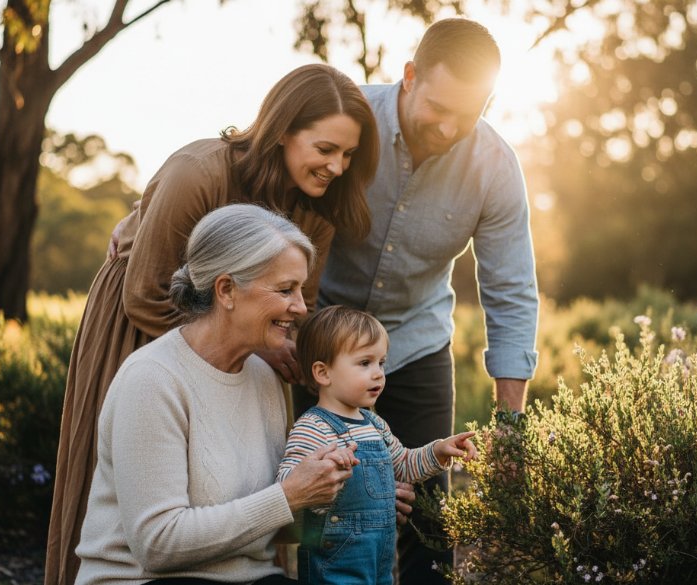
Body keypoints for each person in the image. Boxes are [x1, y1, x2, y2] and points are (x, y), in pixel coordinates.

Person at [47, 63, 380, 585]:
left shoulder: (316, 207)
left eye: (349, 155)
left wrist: (364, 495)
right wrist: (242, 352)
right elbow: (146, 293)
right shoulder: (198, 172)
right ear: (283, 132)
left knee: (234, 481)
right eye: (325, 149)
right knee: (141, 486)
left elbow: (296, 311)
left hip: (244, 341)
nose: (338, 166)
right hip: (149, 320)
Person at [293, 18, 540, 584]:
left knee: (427, 524)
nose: (451, 128)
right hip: (314, 344)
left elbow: (511, 289)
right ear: (409, 77)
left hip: (414, 348)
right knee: (314, 511)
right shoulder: (349, 121)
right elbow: (260, 164)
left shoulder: (496, 169)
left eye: (469, 112)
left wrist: (511, 423)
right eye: (439, 107)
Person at [74, 204, 359, 585]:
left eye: (301, 290)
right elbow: (157, 545)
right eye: (286, 289)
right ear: (226, 290)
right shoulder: (152, 380)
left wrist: (354, 502)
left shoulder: (264, 378)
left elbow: (270, 526)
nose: (301, 307)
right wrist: (288, 496)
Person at [277, 306, 477, 584]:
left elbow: (404, 465)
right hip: (333, 569)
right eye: (364, 363)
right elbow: (288, 486)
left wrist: (438, 451)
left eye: (381, 363)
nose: (378, 374)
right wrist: (323, 475)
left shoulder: (374, 425)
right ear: (323, 373)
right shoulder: (313, 427)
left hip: (379, 567)